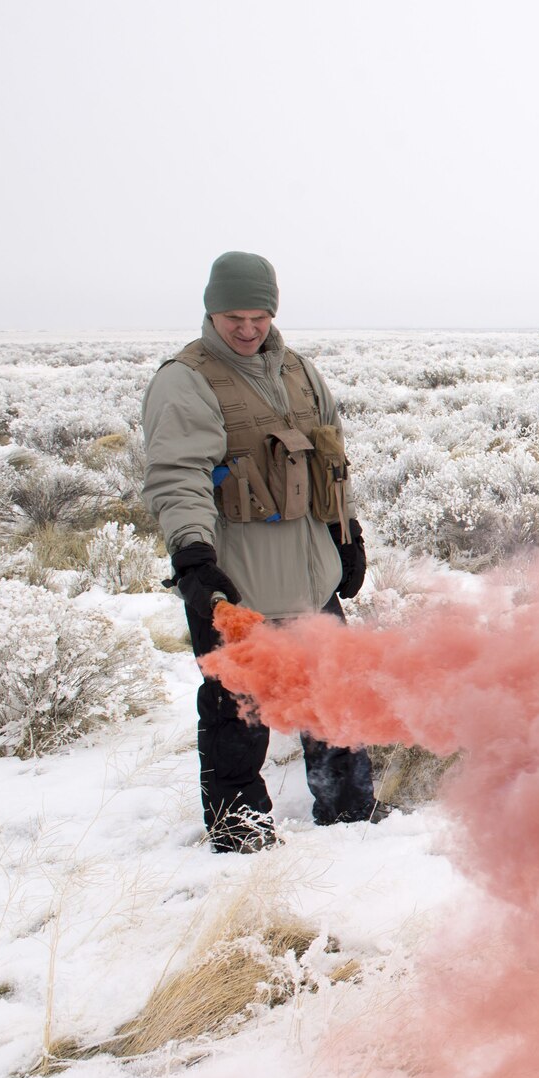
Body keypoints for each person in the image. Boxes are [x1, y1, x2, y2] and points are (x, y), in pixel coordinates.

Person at [141, 252, 377, 852]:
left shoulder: (297, 369)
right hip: (235, 584)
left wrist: (346, 535)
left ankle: (351, 815)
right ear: (210, 311)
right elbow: (178, 477)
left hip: (310, 574)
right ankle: (240, 838)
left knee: (333, 695)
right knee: (235, 713)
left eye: (258, 316)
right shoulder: (185, 379)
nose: (247, 330)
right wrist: (193, 556)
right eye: (233, 318)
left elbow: (331, 461)